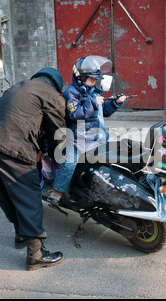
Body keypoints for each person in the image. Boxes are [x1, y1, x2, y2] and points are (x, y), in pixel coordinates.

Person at [0, 67, 66, 271]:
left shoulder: (20, 86)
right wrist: (55, 157)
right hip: (11, 143)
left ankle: (20, 235)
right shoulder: (52, 95)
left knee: (6, 190)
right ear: (57, 85)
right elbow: (59, 134)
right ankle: (36, 254)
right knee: (29, 192)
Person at [47, 56, 127, 205]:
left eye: (95, 80)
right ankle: (57, 191)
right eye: (91, 79)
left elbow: (104, 112)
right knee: (70, 162)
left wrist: (115, 103)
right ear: (80, 78)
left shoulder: (93, 92)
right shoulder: (71, 93)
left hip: (96, 136)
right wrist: (92, 103)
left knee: (111, 158)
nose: (94, 82)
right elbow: (75, 114)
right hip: (78, 138)